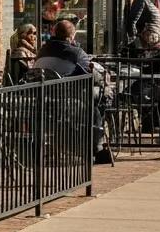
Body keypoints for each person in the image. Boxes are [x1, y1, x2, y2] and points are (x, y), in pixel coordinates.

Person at [33, 20, 112, 163]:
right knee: (100, 97)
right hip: (68, 96)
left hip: (45, 96)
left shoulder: (42, 51)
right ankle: (97, 146)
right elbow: (90, 73)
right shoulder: (76, 52)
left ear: (54, 33)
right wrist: (101, 77)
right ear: (72, 36)